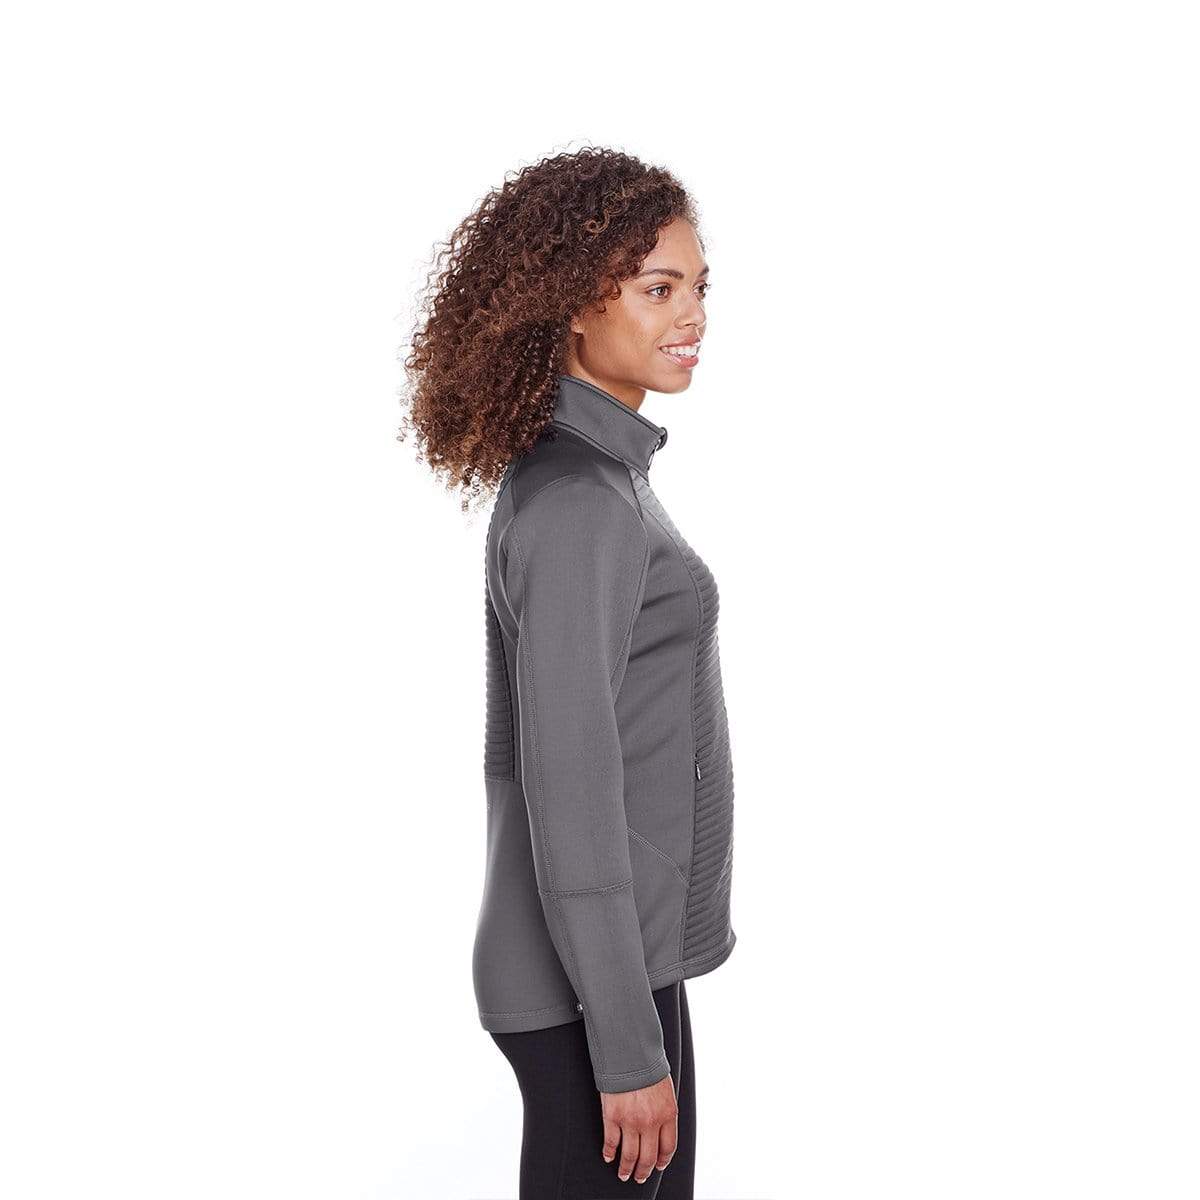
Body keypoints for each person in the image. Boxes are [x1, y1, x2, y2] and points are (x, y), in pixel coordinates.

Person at [398, 146, 738, 1199]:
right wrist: (628, 1050)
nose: (693, 315)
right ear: (577, 307)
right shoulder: (581, 505)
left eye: (700, 287)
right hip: (595, 983)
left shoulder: (601, 478)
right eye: (658, 289)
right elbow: (573, 793)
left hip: (621, 962)